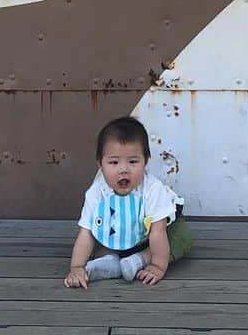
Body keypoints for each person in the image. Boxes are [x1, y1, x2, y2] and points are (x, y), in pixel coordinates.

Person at [64, 115, 193, 288]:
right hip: (116, 237)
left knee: (181, 235)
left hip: (149, 239)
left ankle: (140, 260)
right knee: (95, 237)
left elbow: (158, 232)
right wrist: (77, 267)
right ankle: (109, 261)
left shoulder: (152, 189)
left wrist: (157, 266)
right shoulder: (97, 192)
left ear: (145, 161)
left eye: (133, 161)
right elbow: (86, 232)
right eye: (114, 162)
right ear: (100, 164)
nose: (123, 170)